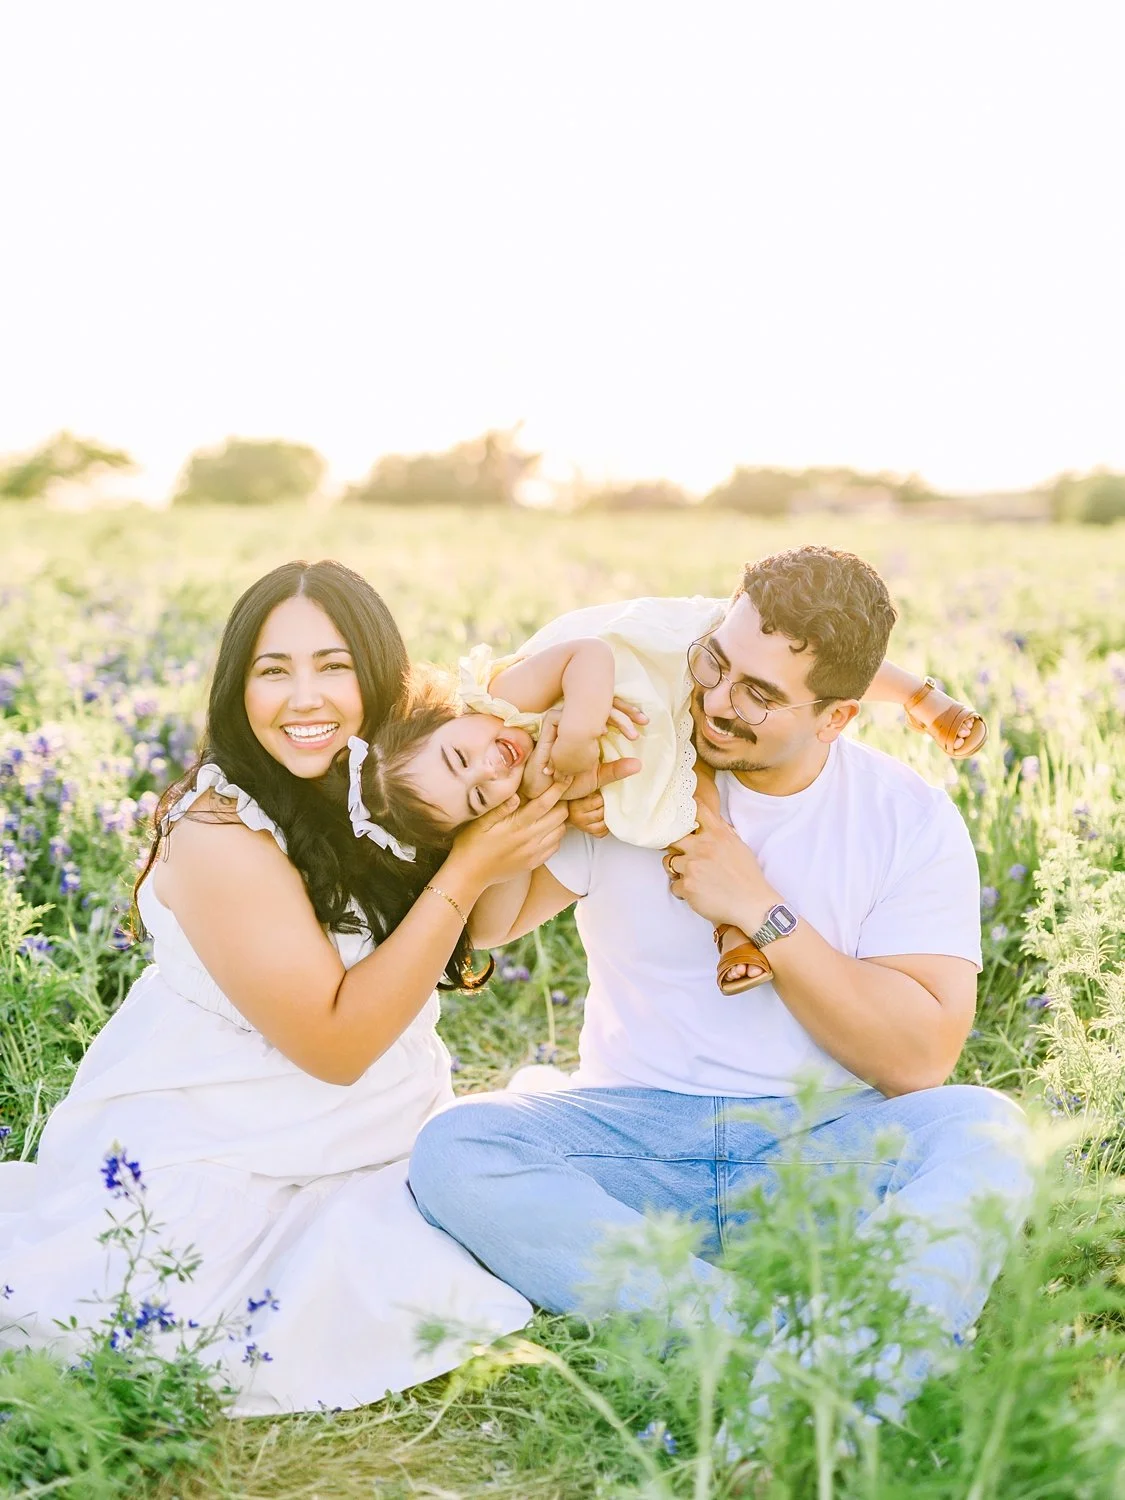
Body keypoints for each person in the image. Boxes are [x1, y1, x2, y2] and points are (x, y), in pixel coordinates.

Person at [407, 545, 1031, 1421]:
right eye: (714, 663)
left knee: (986, 1130)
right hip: (632, 1136)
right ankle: (798, 1362)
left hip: (818, 1149)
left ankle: (787, 1369)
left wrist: (762, 911)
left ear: (838, 716)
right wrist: (535, 794)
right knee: (457, 1147)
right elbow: (490, 924)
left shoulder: (906, 816)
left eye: (758, 695)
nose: (712, 701)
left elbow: (918, 1059)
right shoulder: (635, 769)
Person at [0, 559, 574, 1416]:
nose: (304, 698)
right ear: (238, 688)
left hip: (383, 1125)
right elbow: (333, 1047)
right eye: (274, 671)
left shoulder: (401, 776)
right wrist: (472, 863)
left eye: (334, 667)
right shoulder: (219, 827)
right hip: (225, 1133)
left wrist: (581, 802)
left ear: (380, 678)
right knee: (178, 1305)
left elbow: (489, 924)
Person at [341, 591, 987, 995]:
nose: (489, 769)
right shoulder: (511, 778)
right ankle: (734, 933)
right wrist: (573, 794)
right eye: (479, 799)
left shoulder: (503, 700)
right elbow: (499, 911)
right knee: (684, 816)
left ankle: (917, 695)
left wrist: (577, 734)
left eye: (460, 756)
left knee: (794, 658)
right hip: (663, 733)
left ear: (444, 717)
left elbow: (588, 658)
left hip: (659, 659)